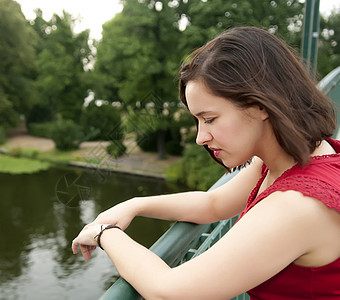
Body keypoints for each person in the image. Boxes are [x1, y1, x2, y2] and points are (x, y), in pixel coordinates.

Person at [71, 26, 340, 299]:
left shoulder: (296, 204)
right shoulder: (295, 156)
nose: (200, 137)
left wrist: (104, 233)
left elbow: (167, 291)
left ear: (260, 105)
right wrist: (135, 205)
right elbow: (214, 205)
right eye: (197, 120)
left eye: (209, 119)